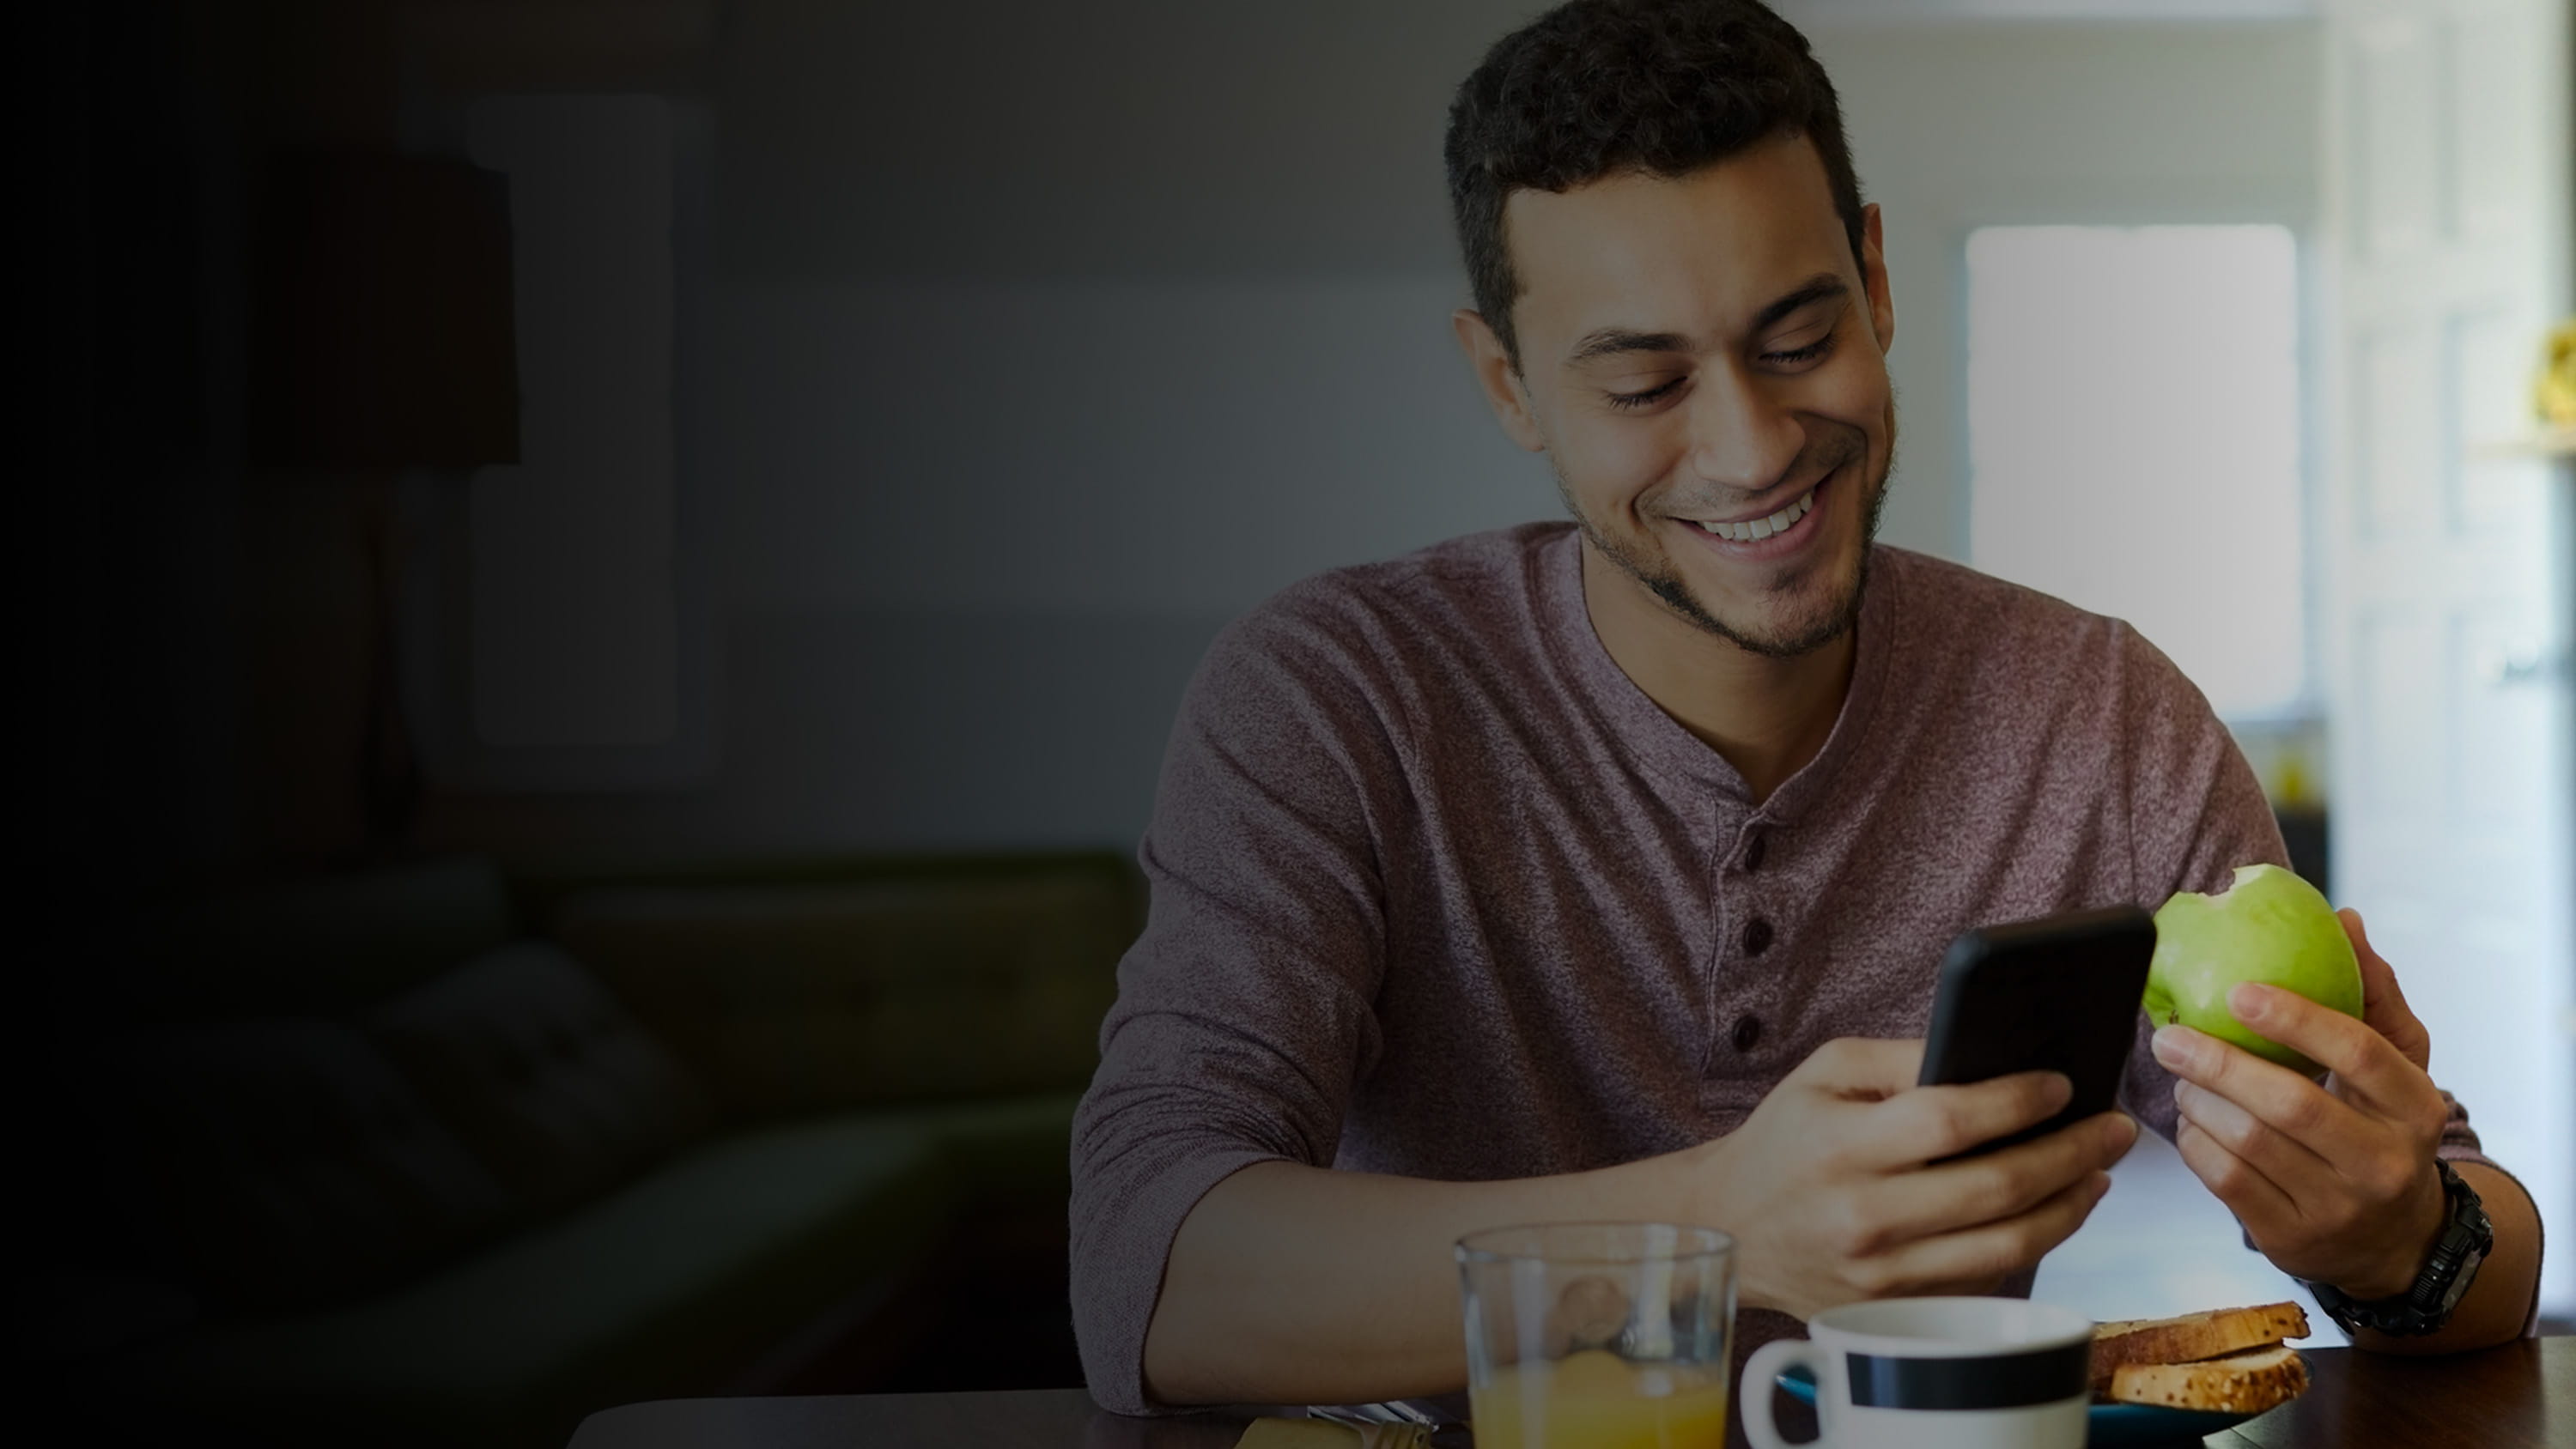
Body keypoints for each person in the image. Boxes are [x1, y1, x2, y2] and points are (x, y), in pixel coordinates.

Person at [1069, 0, 2544, 1431]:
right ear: (1510, 384)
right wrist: (1714, 1223)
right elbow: (1147, 1272)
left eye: (1796, 338)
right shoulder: (1340, 696)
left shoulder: (2104, 717)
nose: (1754, 445)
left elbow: (2487, 1254)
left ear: (1878, 281)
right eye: (1645, 380)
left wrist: (2400, 1230)